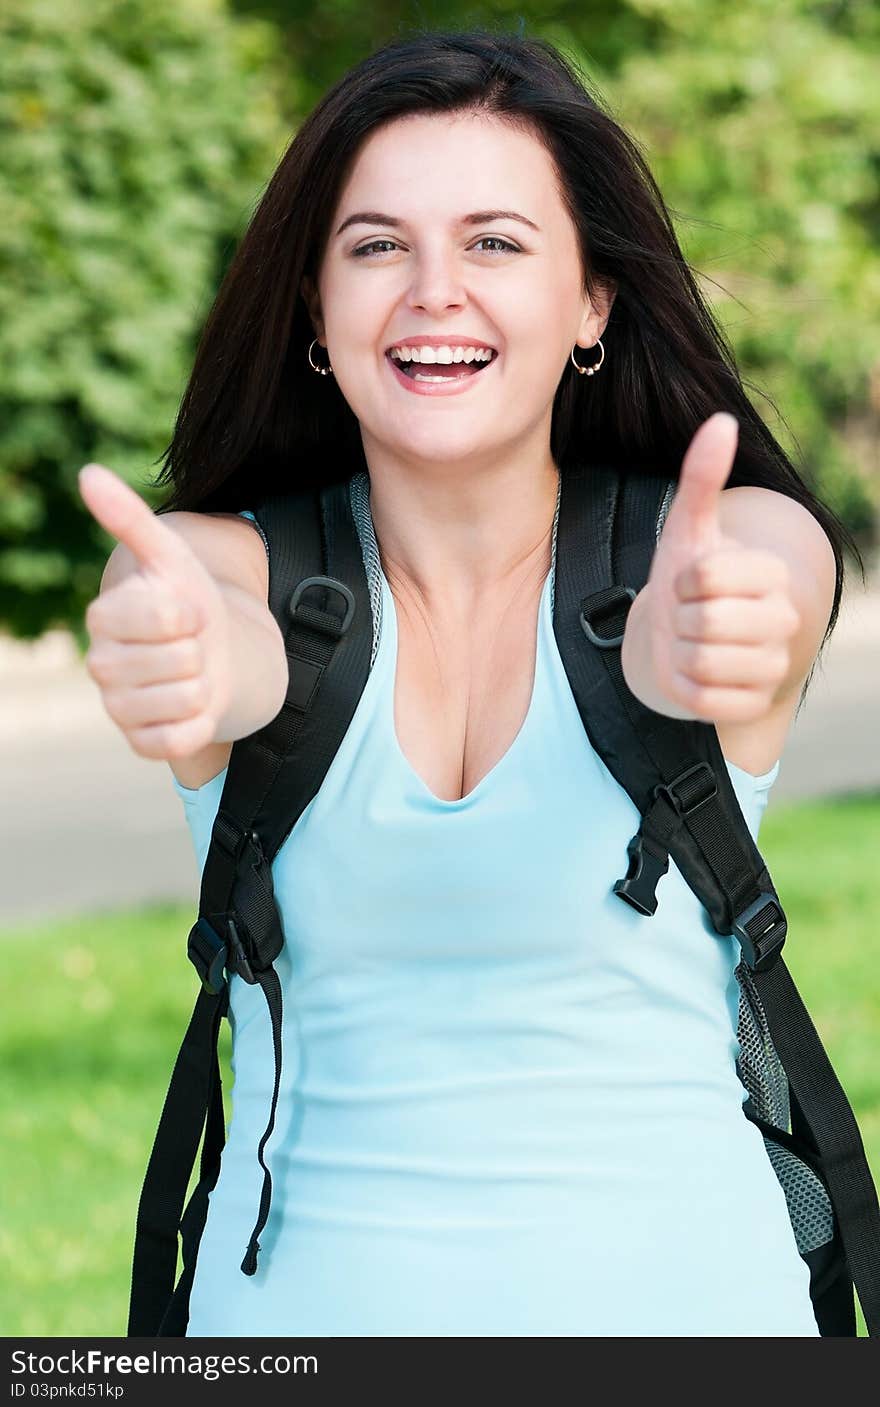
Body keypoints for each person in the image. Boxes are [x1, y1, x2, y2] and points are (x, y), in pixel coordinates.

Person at [79, 28, 864, 1337]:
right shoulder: (231, 571)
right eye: (377, 247)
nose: (434, 289)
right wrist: (182, 657)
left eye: (495, 243)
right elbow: (199, 618)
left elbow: (759, 588)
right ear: (319, 317)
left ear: (593, 302)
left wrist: (701, 643)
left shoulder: (724, 546)